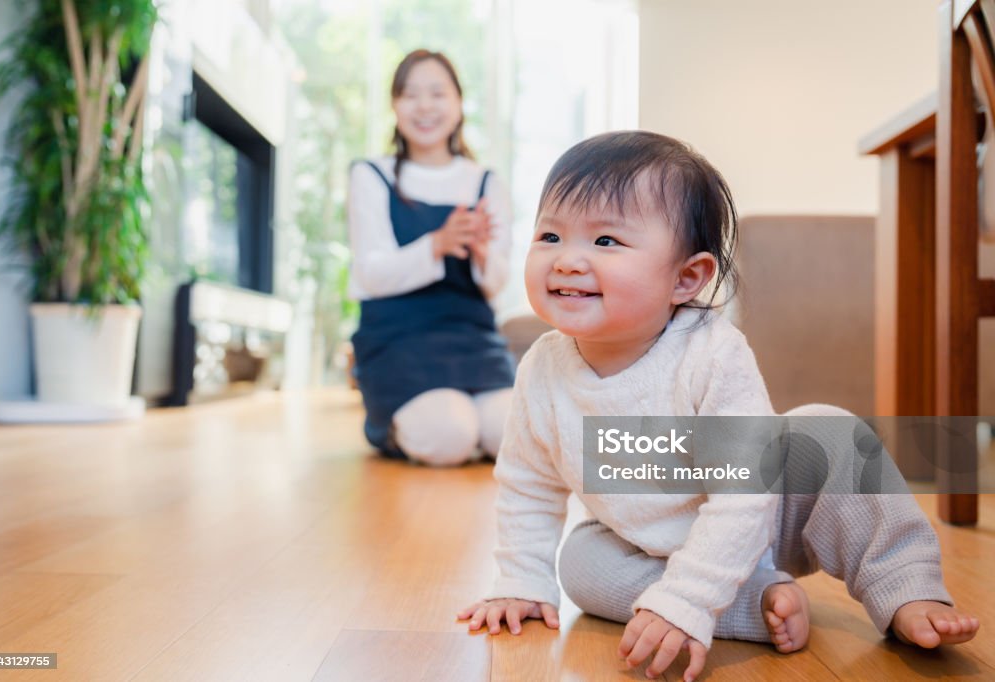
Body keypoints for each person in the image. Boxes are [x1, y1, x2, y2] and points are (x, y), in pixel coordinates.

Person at [457, 132, 980, 680]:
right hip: (647, 542)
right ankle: (752, 605)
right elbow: (528, 483)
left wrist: (689, 594)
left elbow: (746, 492)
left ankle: (907, 588)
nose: (567, 260)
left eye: (606, 241)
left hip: (767, 512)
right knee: (581, 565)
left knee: (830, 432)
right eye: (550, 235)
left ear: (688, 278)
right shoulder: (542, 367)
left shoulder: (711, 351)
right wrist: (520, 580)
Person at [347, 50, 516, 466]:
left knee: (512, 434)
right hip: (397, 340)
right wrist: (437, 244)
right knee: (449, 435)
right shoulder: (372, 175)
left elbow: (496, 282)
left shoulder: (485, 182)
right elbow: (371, 274)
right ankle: (386, 423)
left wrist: (478, 251)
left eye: (437, 94)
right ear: (395, 106)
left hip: (472, 338)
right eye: (410, 95)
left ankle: (470, 428)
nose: (424, 106)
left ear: (459, 104)